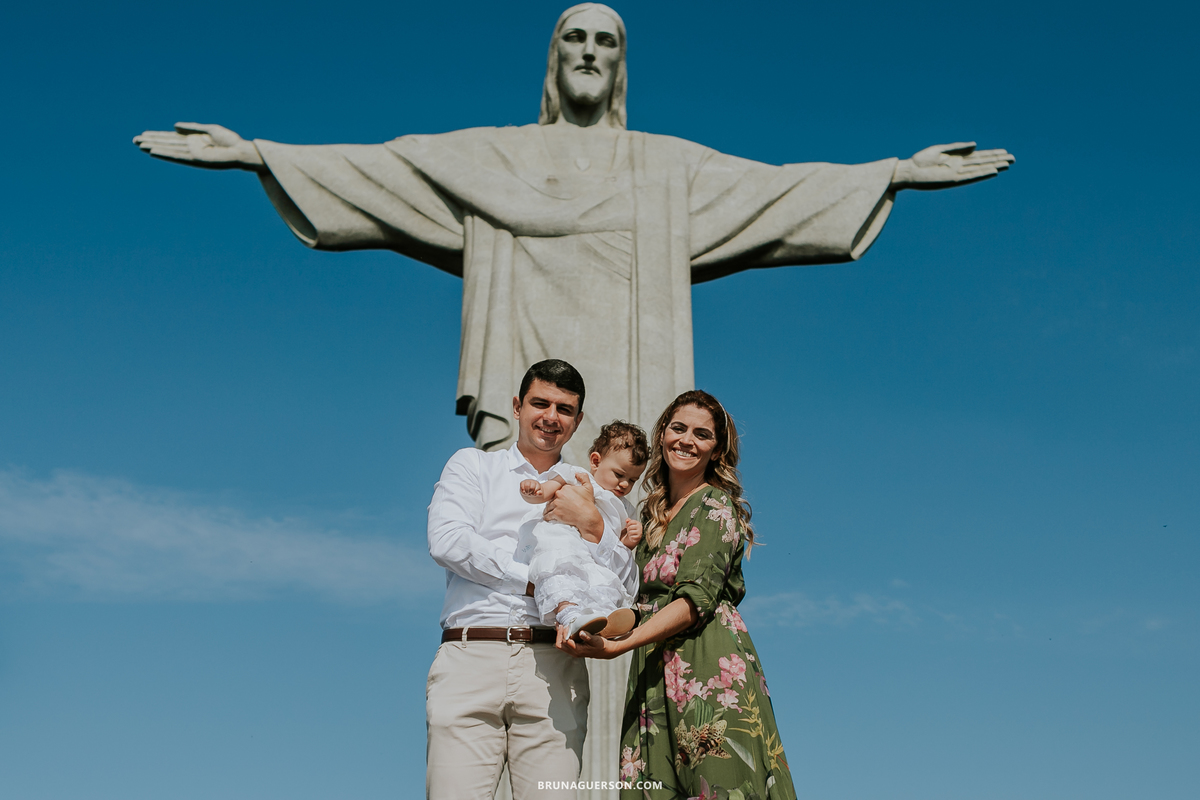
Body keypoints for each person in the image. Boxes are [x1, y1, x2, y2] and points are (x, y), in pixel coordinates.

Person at [133, 3, 1014, 463]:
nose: (589, 52)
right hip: (521, 422)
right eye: (574, 40)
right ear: (554, 61)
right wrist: (256, 154)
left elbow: (774, 195)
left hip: (631, 412)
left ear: (619, 65)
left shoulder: (664, 168)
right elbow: (384, 169)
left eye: (605, 42)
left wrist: (892, 171)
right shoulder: (491, 157)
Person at [560, 390, 797, 799]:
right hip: (652, 669)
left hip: (707, 667)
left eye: (701, 434)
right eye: (678, 428)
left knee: (717, 785)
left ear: (716, 448)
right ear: (663, 433)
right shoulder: (648, 516)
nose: (687, 440)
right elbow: (637, 602)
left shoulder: (715, 505)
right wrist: (591, 626)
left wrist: (620, 647)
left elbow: (692, 602)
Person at [425, 359, 636, 800]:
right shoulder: (473, 467)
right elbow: (448, 542)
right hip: (472, 653)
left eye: (564, 409)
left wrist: (595, 531)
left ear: (578, 422)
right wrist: (541, 584)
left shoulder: (594, 491)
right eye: (541, 403)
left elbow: (621, 586)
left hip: (555, 664)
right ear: (518, 406)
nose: (551, 417)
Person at [516, 420, 648, 638]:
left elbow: (617, 549)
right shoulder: (577, 475)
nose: (625, 484)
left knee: (601, 581)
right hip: (561, 539)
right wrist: (533, 489)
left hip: (592, 558)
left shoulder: (626, 509)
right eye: (619, 474)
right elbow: (546, 492)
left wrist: (629, 541)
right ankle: (568, 614)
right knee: (562, 571)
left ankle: (602, 621)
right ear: (596, 461)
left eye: (632, 480)